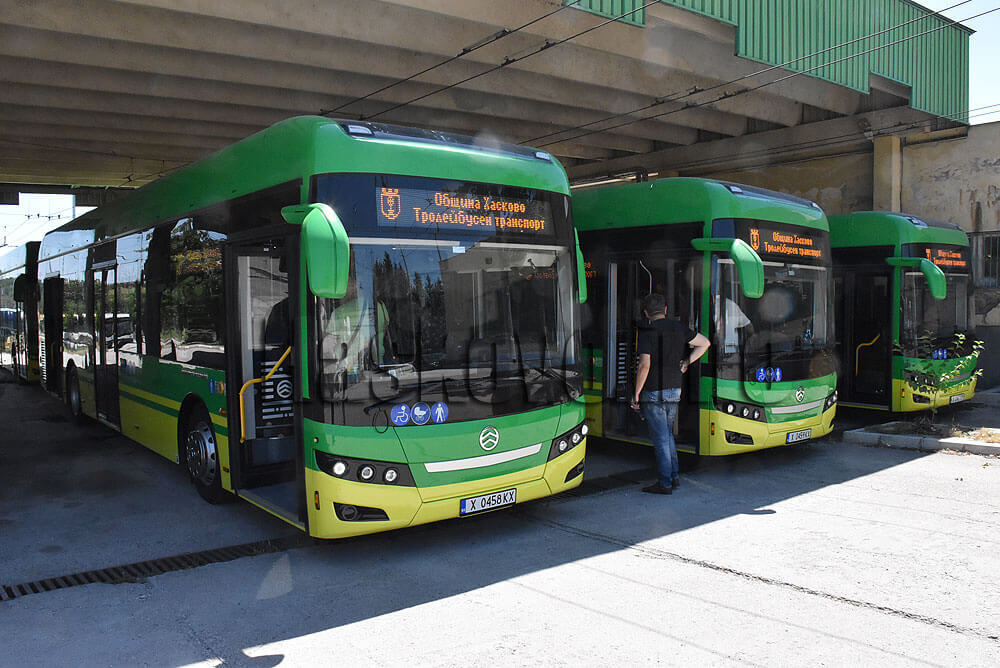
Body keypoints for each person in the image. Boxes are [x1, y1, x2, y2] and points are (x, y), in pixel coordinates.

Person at [631, 293, 711, 495]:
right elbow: (704, 343)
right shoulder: (679, 328)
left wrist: (636, 394)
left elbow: (644, 365)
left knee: (660, 438)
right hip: (675, 388)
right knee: (667, 434)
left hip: (654, 391)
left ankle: (665, 483)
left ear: (646, 313)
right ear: (665, 310)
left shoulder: (647, 332)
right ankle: (674, 477)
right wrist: (686, 362)